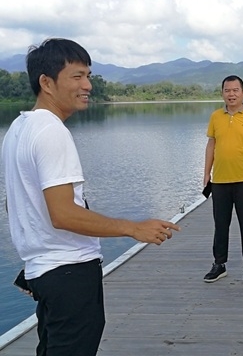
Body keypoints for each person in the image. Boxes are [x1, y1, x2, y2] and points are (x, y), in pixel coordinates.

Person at [2, 38, 180, 356]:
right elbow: (63, 214)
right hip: (68, 272)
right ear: (46, 82)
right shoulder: (51, 132)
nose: (87, 85)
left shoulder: (19, 128)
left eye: (88, 75)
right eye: (77, 76)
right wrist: (133, 228)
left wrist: (36, 261)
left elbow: (15, 203)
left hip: (46, 272)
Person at [203, 75, 243, 286]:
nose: (231, 94)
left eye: (235, 90)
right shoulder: (215, 117)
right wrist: (206, 173)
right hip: (220, 180)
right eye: (227, 90)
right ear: (222, 93)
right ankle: (219, 265)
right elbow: (211, 145)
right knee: (220, 225)